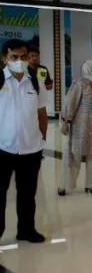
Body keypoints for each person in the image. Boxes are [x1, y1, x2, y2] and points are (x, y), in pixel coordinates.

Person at [0, 39, 47, 243]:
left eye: (23, 56)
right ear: (5, 58)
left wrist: (42, 137)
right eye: (14, 57)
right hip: (3, 148)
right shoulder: (0, 80)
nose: (20, 61)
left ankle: (26, 230)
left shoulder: (36, 81)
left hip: (31, 149)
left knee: (28, 194)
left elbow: (42, 112)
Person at [58, 60, 92, 196]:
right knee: (74, 155)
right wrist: (66, 121)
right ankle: (65, 185)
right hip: (80, 127)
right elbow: (70, 102)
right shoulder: (79, 83)